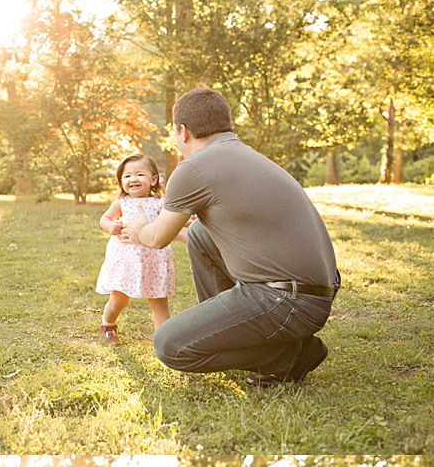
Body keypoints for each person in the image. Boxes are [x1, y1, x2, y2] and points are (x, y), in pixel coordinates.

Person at [119, 88, 341, 386]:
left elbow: (157, 237)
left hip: (287, 301)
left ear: (183, 131)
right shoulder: (245, 155)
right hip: (315, 294)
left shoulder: (193, 167)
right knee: (199, 233)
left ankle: (288, 356)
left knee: (169, 345)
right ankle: (232, 333)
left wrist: (137, 229)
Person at [95, 154, 184, 344]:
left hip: (154, 260)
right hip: (127, 260)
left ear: (153, 180)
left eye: (140, 174)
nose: (133, 179)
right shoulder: (122, 203)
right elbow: (105, 219)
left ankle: (164, 341)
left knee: (159, 304)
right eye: (127, 176)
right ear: (121, 181)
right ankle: (108, 323)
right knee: (119, 299)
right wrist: (111, 226)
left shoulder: (161, 203)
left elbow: (170, 223)